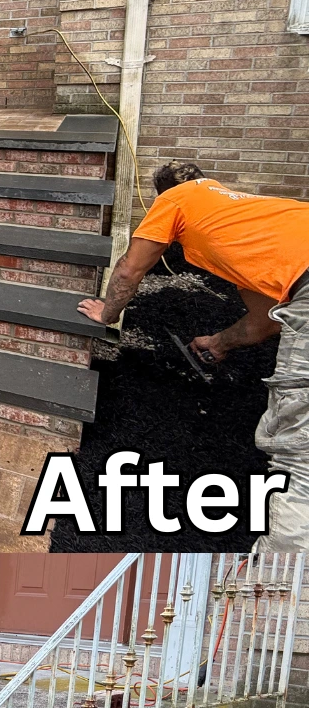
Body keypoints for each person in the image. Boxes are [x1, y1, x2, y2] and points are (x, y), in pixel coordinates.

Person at [78, 162, 309, 548]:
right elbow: (267, 321)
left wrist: (107, 313)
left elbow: (129, 270)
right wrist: (219, 342)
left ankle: (278, 571)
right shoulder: (249, 224)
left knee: (299, 455)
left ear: (162, 193)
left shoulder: (175, 199)